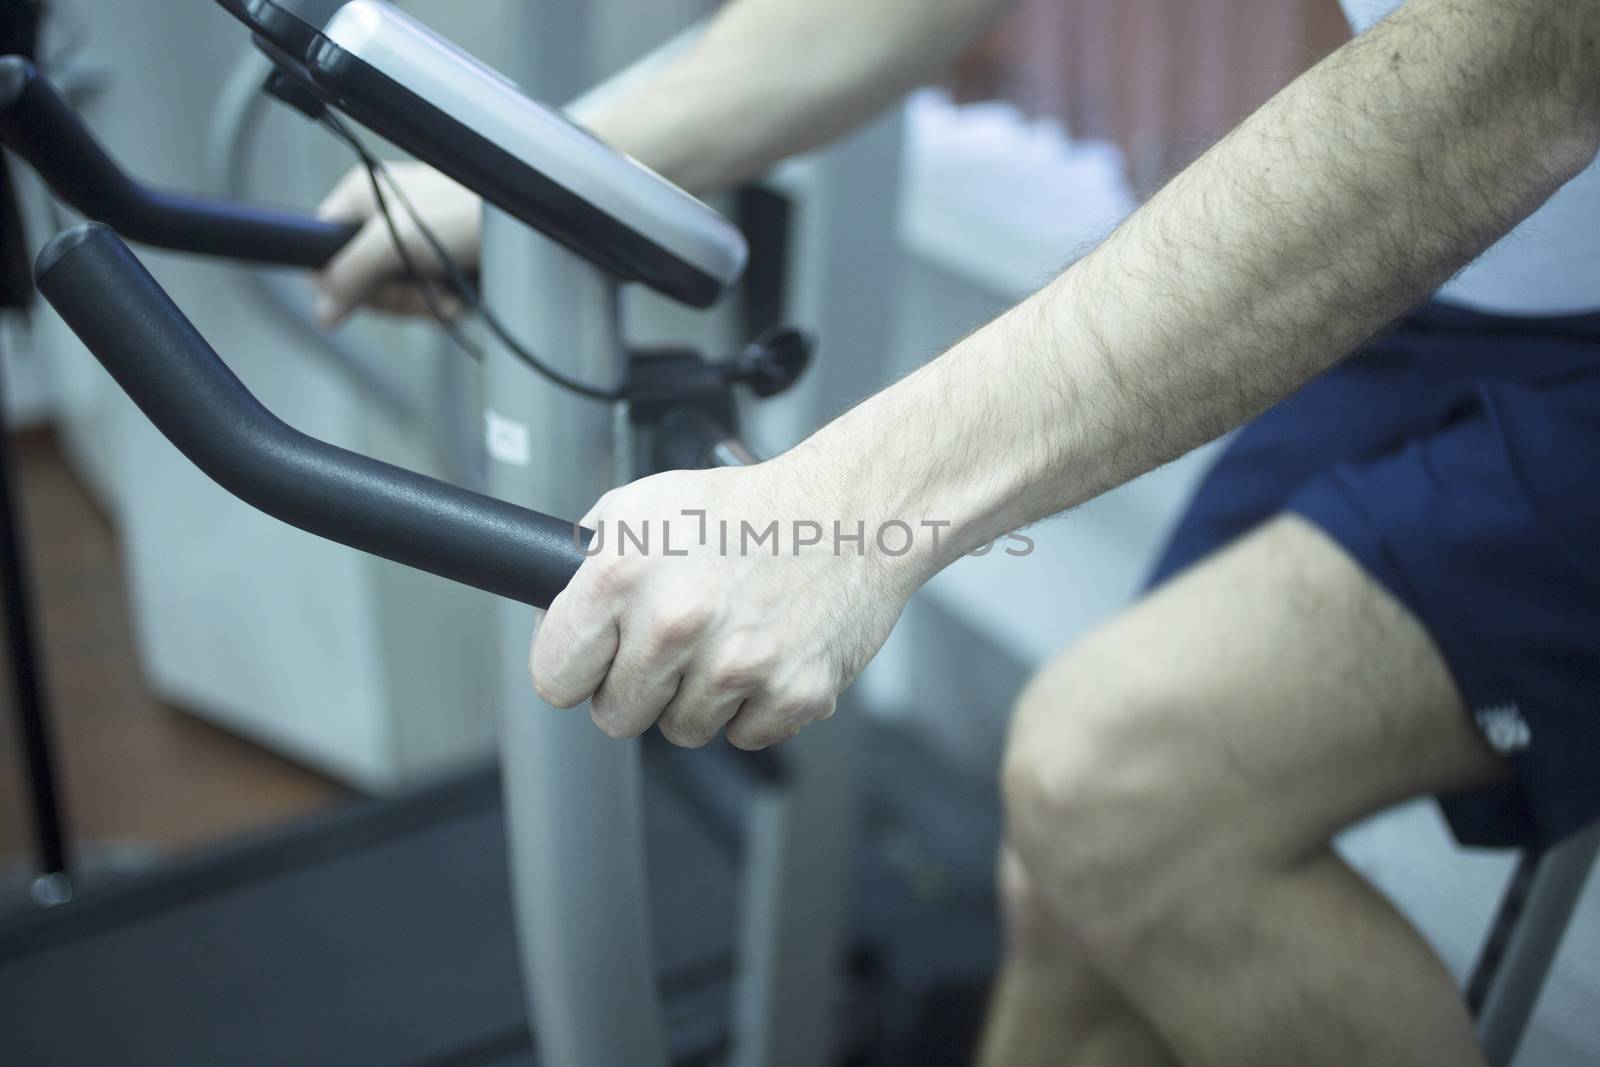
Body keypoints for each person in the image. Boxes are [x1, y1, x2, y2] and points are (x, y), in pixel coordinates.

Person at [316, 0, 1600, 1062]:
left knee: (1117, 786)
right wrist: (552, 170)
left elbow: (1521, 61)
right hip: (1477, 277)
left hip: (1512, 193)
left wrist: (845, 509)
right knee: (1079, 885)